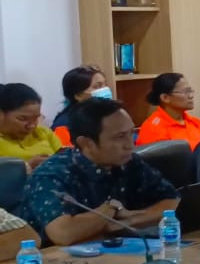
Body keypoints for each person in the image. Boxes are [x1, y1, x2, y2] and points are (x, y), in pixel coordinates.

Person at [18, 96, 179, 245]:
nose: (130, 144)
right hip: (57, 261)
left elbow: (173, 201)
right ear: (86, 143)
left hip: (113, 250)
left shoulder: (129, 162)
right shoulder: (51, 175)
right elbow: (63, 234)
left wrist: (127, 222)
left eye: (131, 133)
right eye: (120, 137)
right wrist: (111, 209)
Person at [135, 73, 200, 150]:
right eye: (185, 92)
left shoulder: (196, 123)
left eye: (190, 91)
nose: (191, 96)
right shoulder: (153, 129)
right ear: (165, 98)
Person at [0, 83, 61, 171]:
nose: (32, 126)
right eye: (23, 119)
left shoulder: (43, 132)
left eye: (36, 118)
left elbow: (63, 157)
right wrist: (27, 167)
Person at [49, 64, 110, 140]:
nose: (105, 89)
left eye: (105, 85)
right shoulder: (63, 126)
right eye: (97, 86)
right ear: (78, 95)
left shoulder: (106, 114)